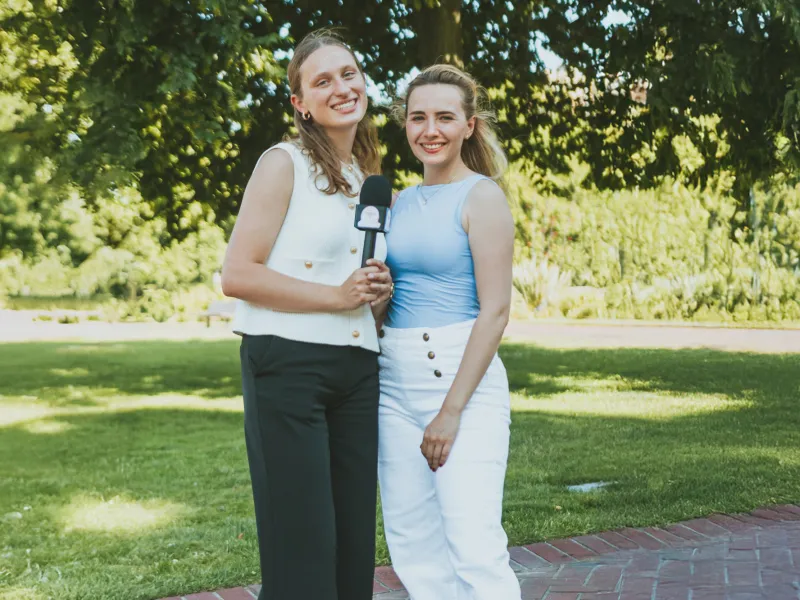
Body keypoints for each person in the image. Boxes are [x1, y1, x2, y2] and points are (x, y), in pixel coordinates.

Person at [220, 29, 393, 600]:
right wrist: (337, 296)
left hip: (357, 369)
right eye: (322, 81)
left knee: (352, 549)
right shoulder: (283, 163)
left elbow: (356, 292)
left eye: (348, 74)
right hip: (288, 366)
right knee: (304, 548)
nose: (341, 88)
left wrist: (377, 293)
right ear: (301, 104)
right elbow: (237, 274)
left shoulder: (367, 179)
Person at [374, 64, 522, 600]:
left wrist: (451, 411)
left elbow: (495, 311)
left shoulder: (481, 198)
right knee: (414, 549)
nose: (429, 130)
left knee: (474, 546)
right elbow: (386, 304)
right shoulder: (395, 202)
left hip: (462, 382)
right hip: (394, 382)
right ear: (405, 125)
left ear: (469, 126)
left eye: (444, 117)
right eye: (418, 118)